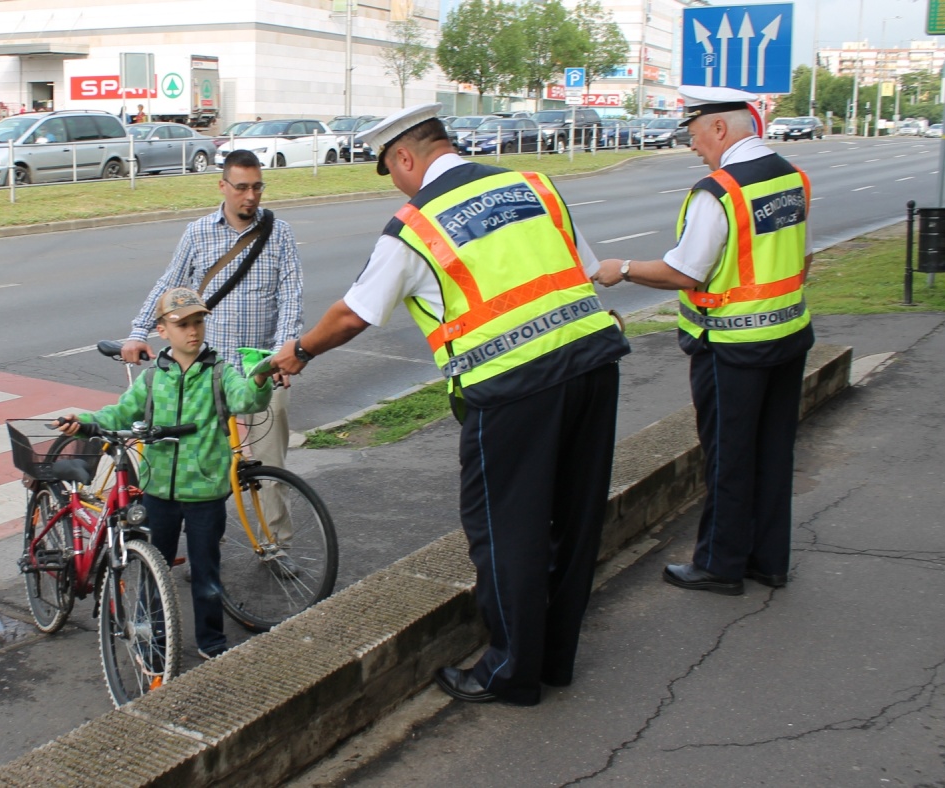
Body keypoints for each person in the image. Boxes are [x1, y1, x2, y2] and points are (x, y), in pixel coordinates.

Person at [271, 104, 630, 707]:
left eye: (391, 170)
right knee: (575, 519)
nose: (395, 183)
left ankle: (511, 672)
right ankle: (554, 660)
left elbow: (354, 314)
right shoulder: (533, 185)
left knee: (506, 531)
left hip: (514, 391)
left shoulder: (417, 225)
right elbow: (587, 269)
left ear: (404, 157)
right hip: (594, 365)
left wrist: (301, 350)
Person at [592, 86, 814, 596]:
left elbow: (684, 272)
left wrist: (622, 268)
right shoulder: (791, 176)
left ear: (719, 127)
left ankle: (720, 564)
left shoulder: (721, 191)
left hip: (732, 346)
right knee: (773, 452)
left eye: (694, 134)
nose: (693, 146)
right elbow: (803, 260)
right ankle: (768, 561)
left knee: (729, 456)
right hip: (789, 336)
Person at [57, 287, 274, 659]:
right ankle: (153, 641)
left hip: (205, 491)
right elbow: (120, 413)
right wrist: (85, 421)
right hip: (158, 491)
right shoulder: (152, 379)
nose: (193, 331)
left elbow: (246, 399)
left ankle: (212, 643)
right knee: (152, 570)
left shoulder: (219, 373)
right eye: (182, 324)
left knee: (206, 572)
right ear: (162, 331)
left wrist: (260, 377)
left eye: (198, 322)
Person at [122, 148, 303, 556]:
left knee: (270, 465)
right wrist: (137, 331)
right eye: (241, 187)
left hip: (261, 369)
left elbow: (291, 297)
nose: (250, 196)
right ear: (222, 186)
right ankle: (207, 541)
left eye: (257, 187)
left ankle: (277, 545)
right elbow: (169, 285)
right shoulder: (198, 233)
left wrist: (282, 354)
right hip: (210, 371)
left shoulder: (280, 233)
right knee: (204, 461)